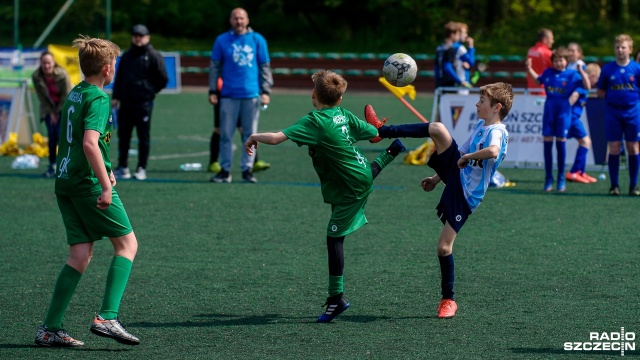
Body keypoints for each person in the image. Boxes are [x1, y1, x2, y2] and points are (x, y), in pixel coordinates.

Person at [244, 70, 406, 322]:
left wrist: (254, 136)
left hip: (351, 184)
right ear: (340, 99)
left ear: (313, 95)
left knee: (334, 238)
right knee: (359, 180)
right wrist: (379, 130)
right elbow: (374, 133)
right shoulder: (344, 114)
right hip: (355, 175)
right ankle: (391, 153)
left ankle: (335, 299)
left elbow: (276, 138)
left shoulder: (315, 121)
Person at [364, 82, 513, 319]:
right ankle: (381, 131)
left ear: (496, 107)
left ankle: (448, 300)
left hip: (466, 195)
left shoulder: (497, 131)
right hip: (456, 177)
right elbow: (459, 154)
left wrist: (469, 158)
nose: (477, 103)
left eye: (482, 101)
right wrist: (436, 178)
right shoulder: (480, 126)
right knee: (438, 129)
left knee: (444, 248)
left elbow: (493, 152)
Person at [34, 35, 140, 347]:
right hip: (86, 185)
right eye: (115, 63)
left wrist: (105, 166)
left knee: (80, 254)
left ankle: (50, 328)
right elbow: (89, 142)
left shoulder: (76, 93)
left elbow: (77, 140)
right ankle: (108, 317)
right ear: (108, 69)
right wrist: (105, 185)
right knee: (127, 245)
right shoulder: (99, 97)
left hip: (65, 181)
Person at [209, 7, 273, 183]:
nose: (239, 22)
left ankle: (247, 170)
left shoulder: (257, 39)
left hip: (251, 94)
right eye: (236, 18)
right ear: (231, 20)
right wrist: (213, 90)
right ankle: (225, 170)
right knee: (226, 135)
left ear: (248, 20)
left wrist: (266, 91)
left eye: (242, 18)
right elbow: (214, 67)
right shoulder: (222, 40)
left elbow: (264, 67)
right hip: (228, 95)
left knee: (250, 135)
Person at [526, 47, 590, 192]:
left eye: (561, 60)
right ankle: (549, 178)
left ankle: (561, 178)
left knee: (560, 143)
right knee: (547, 144)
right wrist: (529, 68)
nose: (558, 63)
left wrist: (582, 72)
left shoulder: (573, 75)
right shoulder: (548, 72)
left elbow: (587, 86)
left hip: (564, 113)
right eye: (555, 60)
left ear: (566, 61)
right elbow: (537, 81)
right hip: (549, 112)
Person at [112, 24, 168, 181]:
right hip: (126, 102)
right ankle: (122, 166)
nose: (138, 38)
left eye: (141, 35)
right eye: (135, 35)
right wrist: (116, 97)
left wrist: (149, 91)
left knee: (143, 136)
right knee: (123, 135)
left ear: (147, 37)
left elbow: (163, 78)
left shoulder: (153, 55)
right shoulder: (127, 55)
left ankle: (141, 167)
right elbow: (120, 77)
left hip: (144, 103)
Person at [596, 34, 640, 196]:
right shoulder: (608, 69)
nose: (620, 50)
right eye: (617, 47)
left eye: (623, 47)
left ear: (630, 49)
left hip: (633, 112)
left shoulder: (636, 68)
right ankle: (614, 186)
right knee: (614, 147)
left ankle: (633, 185)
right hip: (613, 113)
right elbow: (600, 91)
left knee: (633, 147)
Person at [208, 77, 270, 173]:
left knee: (244, 128)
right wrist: (213, 91)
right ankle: (213, 162)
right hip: (225, 93)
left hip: (242, 93)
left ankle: (254, 161)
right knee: (220, 129)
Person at [32, 51, 72, 178]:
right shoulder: (36, 77)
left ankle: (66, 166)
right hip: (48, 108)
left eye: (49, 63)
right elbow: (41, 97)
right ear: (40, 63)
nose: (46, 66)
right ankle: (52, 165)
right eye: (44, 63)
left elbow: (66, 95)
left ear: (53, 63)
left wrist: (58, 112)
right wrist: (51, 113)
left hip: (65, 107)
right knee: (51, 135)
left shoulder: (62, 75)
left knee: (61, 135)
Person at [565, 42, 597, 183]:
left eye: (574, 51)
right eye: (569, 50)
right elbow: (575, 95)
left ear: (579, 52)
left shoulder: (578, 67)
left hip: (572, 115)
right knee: (585, 142)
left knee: (584, 142)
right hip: (571, 115)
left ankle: (580, 172)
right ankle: (574, 172)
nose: (571, 53)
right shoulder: (574, 71)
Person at [435, 21, 470, 89]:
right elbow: (447, 67)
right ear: (452, 34)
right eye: (457, 34)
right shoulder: (450, 48)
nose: (458, 37)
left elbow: (436, 67)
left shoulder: (439, 48)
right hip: (449, 84)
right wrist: (460, 82)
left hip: (439, 84)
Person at [526, 28, 554, 94]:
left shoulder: (530, 50)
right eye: (551, 38)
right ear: (545, 39)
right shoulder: (547, 53)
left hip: (531, 88)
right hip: (543, 89)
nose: (553, 41)